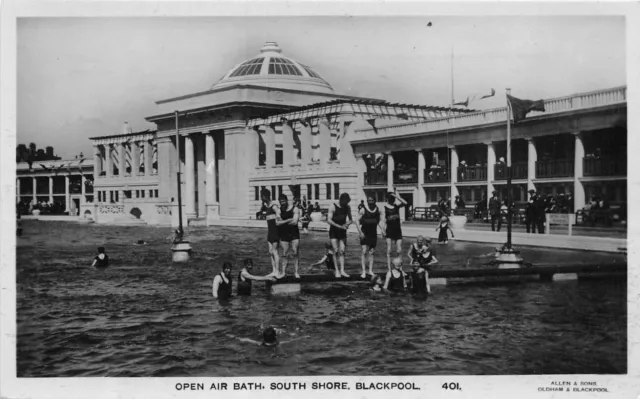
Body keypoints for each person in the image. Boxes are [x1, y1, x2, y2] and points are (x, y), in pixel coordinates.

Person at [355, 195, 384, 278]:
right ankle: (363, 271)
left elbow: (379, 222)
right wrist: (360, 232)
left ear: (375, 201)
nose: (370, 202)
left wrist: (382, 230)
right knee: (364, 251)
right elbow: (356, 220)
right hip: (364, 232)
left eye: (372, 201)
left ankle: (370, 270)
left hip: (373, 233)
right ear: (367, 201)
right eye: (369, 201)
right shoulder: (363, 209)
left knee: (371, 252)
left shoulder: (377, 210)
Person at [327, 193, 353, 278]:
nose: (346, 204)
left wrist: (347, 224)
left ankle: (342, 270)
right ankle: (336, 270)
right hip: (334, 231)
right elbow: (329, 220)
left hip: (342, 231)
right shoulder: (333, 206)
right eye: (345, 202)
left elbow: (350, 219)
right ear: (341, 200)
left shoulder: (347, 207)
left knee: (342, 251)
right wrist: (339, 226)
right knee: (335, 250)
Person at [276, 194, 300, 279]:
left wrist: (283, 222)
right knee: (284, 253)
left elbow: (295, 222)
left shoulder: (295, 208)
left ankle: (296, 272)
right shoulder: (279, 210)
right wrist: (289, 219)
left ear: (286, 200)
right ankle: (283, 272)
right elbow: (277, 223)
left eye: (283, 201)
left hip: (294, 233)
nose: (282, 203)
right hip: (284, 234)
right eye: (280, 202)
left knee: (295, 252)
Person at [382, 190, 407, 272]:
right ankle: (389, 269)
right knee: (389, 250)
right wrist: (383, 230)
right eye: (390, 198)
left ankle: (401, 269)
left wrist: (396, 196)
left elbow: (405, 203)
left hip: (397, 230)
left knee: (399, 250)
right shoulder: (385, 208)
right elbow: (383, 220)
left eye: (393, 198)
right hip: (389, 230)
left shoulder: (396, 206)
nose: (392, 199)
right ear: (387, 199)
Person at [260, 189, 280, 277]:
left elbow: (279, 214)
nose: (261, 198)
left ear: (265, 196)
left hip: (275, 232)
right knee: (270, 252)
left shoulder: (274, 206)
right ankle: (273, 270)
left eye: (262, 196)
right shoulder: (267, 206)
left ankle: (278, 271)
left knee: (275, 251)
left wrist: (278, 217)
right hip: (270, 232)